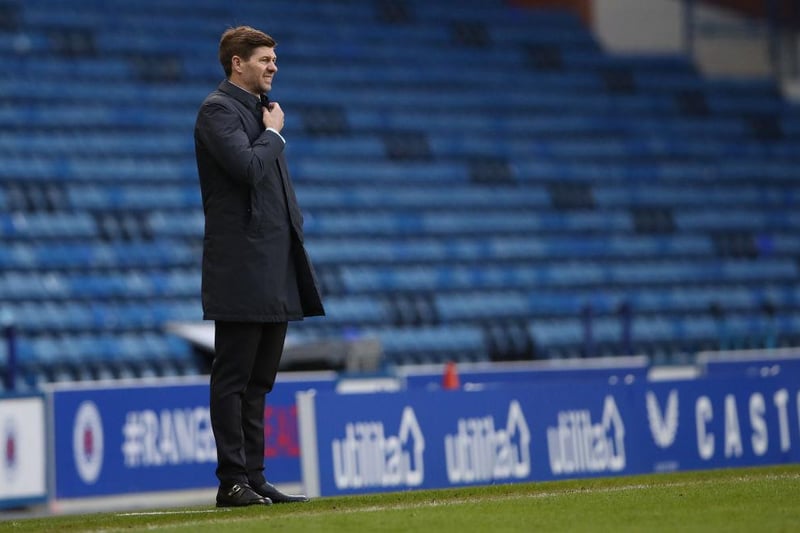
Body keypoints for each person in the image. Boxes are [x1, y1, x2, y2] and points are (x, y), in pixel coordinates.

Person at [194, 26, 325, 508]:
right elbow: (248, 169)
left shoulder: (259, 112)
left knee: (260, 381)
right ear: (237, 64)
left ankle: (254, 476)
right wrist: (273, 134)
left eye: (274, 59)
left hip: (273, 265)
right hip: (242, 268)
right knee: (233, 379)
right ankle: (231, 480)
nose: (273, 66)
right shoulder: (217, 111)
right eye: (264, 59)